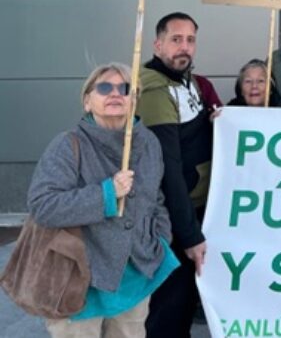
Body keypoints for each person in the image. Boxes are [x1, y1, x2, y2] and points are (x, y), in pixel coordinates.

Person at [29, 63, 178, 338]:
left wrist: (159, 238)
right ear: (88, 101)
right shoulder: (67, 145)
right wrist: (107, 194)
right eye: (105, 87)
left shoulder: (149, 143)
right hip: (80, 279)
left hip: (134, 278)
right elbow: (43, 206)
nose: (115, 93)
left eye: (125, 88)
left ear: (134, 100)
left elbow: (155, 199)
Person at [137, 12, 221, 338]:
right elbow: (167, 168)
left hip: (191, 209)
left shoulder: (186, 81)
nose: (184, 47)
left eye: (190, 40)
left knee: (183, 303)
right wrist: (189, 235)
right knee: (170, 308)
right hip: (172, 218)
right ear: (157, 45)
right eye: (175, 39)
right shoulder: (156, 90)